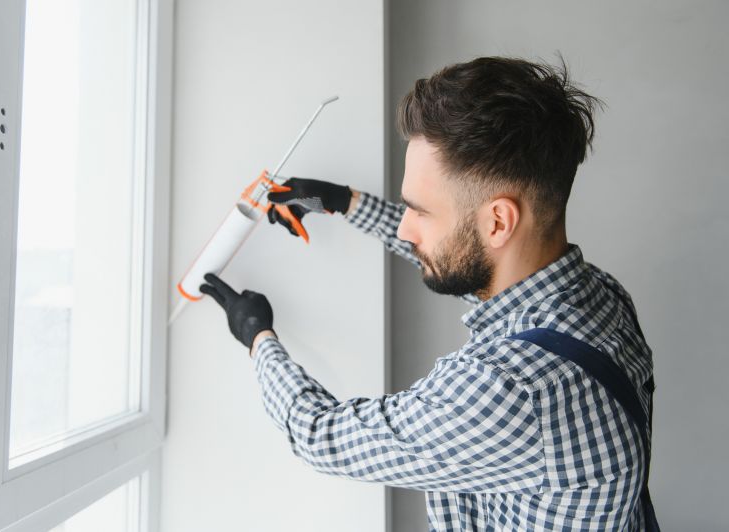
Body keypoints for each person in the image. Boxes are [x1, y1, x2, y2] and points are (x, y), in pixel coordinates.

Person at [200, 57, 657, 531]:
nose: (404, 225)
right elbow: (470, 260)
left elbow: (322, 437)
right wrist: (346, 202)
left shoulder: (504, 389)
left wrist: (258, 338)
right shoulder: (600, 299)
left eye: (420, 210)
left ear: (498, 221)